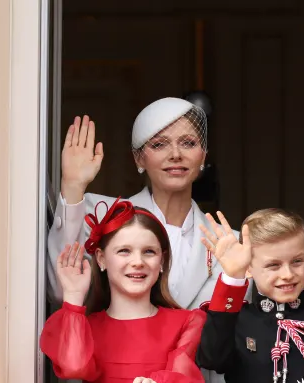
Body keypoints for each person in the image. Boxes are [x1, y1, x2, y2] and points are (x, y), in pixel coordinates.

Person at [46, 97, 240, 382]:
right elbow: (59, 289)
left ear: (203, 156)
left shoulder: (232, 245)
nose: (176, 155)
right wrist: (73, 187)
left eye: (188, 143)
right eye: (159, 145)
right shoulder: (102, 215)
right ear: (138, 158)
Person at [196, 209, 304, 383]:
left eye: (297, 261)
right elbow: (211, 359)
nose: (287, 274)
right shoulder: (235, 322)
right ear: (248, 267)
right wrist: (233, 277)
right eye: (273, 265)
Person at [40, 198, 206, 383]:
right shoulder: (86, 327)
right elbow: (73, 367)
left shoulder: (187, 323)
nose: (138, 262)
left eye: (149, 251)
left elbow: (184, 377)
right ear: (101, 259)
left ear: (162, 261)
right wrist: (73, 295)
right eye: (124, 251)